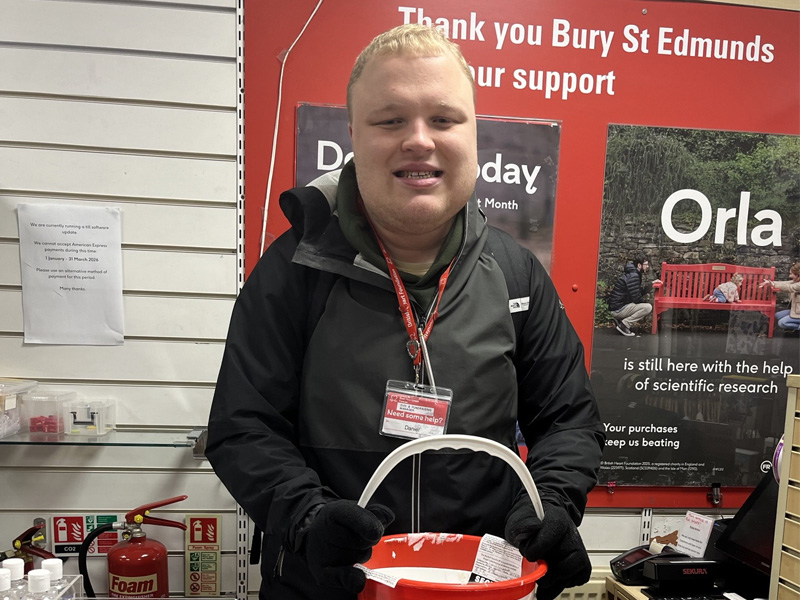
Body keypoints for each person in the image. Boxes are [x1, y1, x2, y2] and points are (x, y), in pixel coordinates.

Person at [206, 24, 605, 600]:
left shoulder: (516, 276)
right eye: (390, 120)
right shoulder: (294, 271)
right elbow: (244, 426)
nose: (419, 140)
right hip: (329, 587)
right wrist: (308, 517)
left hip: (475, 588)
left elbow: (569, 420)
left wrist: (551, 506)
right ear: (353, 134)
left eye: (443, 119)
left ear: (473, 132)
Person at [607, 256, 660, 336]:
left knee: (643, 305)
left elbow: (637, 292)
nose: (647, 266)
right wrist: (645, 302)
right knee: (647, 307)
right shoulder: (634, 276)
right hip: (618, 309)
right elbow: (636, 298)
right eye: (646, 264)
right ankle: (624, 325)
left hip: (618, 307)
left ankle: (621, 321)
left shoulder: (633, 274)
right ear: (639, 265)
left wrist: (651, 284)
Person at [759, 262, 800, 333]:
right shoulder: (797, 281)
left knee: (782, 323)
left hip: (798, 313)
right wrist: (771, 283)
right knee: (777, 315)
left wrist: (773, 284)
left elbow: (790, 287)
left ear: (798, 275)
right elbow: (787, 283)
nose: (790, 276)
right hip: (796, 311)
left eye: (791, 274)